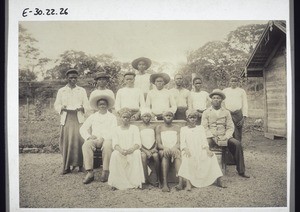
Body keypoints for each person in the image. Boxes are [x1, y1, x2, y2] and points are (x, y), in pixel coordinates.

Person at [201, 89, 250, 178]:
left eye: (218, 98)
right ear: (211, 100)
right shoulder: (206, 112)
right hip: (211, 136)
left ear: (221, 100)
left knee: (237, 144)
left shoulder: (226, 112)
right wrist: (212, 136)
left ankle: (241, 171)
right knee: (204, 146)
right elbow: (204, 127)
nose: (216, 100)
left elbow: (230, 127)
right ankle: (204, 172)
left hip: (224, 136)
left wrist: (226, 137)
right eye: (214, 98)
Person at [54, 69, 89, 175]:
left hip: (78, 118)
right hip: (67, 118)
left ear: (77, 78)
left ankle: (80, 165)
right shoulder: (62, 91)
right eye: (71, 77)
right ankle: (66, 166)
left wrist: (82, 108)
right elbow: (56, 105)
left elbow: (87, 105)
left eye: (75, 77)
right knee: (66, 142)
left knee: (80, 142)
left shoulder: (81, 90)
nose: (73, 79)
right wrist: (62, 108)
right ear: (67, 78)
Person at [178, 110, 224, 190]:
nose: (192, 119)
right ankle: (188, 183)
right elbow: (183, 142)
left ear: (197, 119)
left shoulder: (200, 128)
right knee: (186, 158)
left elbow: (204, 141)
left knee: (212, 156)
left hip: (200, 149)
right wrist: (186, 149)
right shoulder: (183, 129)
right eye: (190, 117)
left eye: (194, 117)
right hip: (189, 149)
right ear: (187, 118)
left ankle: (219, 179)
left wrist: (207, 149)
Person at [79, 90, 117, 184]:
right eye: (100, 104)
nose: (102, 106)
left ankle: (106, 171)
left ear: (107, 105)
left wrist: (103, 138)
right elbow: (82, 128)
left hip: (107, 138)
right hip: (95, 138)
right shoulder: (93, 116)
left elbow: (114, 131)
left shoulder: (112, 117)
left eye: (104, 104)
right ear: (97, 106)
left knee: (108, 146)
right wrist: (88, 137)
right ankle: (90, 172)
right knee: (86, 145)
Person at [108, 108, 145, 190]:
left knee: (137, 153)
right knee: (114, 154)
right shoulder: (116, 129)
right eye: (124, 117)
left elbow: (137, 142)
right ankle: (116, 182)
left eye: (127, 117)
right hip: (121, 151)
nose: (125, 119)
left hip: (132, 150)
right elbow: (115, 143)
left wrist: (131, 150)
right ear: (120, 118)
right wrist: (121, 150)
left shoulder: (134, 128)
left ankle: (135, 182)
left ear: (130, 118)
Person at [156, 111, 183, 192]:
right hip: (164, 149)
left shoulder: (177, 127)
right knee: (165, 156)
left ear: (173, 117)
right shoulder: (159, 127)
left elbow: (179, 142)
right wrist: (165, 148)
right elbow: (159, 144)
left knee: (178, 155)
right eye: (166, 115)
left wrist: (175, 147)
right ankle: (165, 183)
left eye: (170, 116)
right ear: (163, 117)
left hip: (174, 149)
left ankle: (180, 182)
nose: (168, 117)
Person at [139, 108, 161, 187]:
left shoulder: (153, 127)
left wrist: (154, 148)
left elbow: (156, 139)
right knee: (143, 157)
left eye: (148, 116)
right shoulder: (139, 127)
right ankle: (146, 179)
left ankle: (158, 178)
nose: (147, 118)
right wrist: (145, 151)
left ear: (151, 117)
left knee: (155, 156)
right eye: (145, 116)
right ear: (141, 117)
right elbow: (138, 142)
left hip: (153, 148)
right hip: (143, 149)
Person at [222, 75, 248, 142]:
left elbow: (245, 104)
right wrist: (224, 112)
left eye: (235, 81)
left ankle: (238, 145)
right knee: (229, 129)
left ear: (238, 82)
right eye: (232, 81)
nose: (233, 83)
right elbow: (222, 103)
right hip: (228, 113)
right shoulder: (225, 91)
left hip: (238, 114)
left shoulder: (241, 91)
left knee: (238, 130)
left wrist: (244, 117)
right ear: (229, 82)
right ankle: (229, 145)